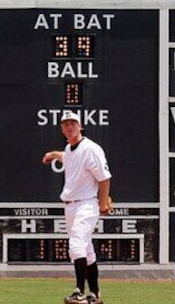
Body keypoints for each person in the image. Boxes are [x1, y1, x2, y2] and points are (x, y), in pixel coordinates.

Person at [42, 113, 112, 304]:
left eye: (72, 123)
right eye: (65, 124)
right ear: (62, 129)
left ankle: (79, 292)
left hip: (86, 204)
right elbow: (69, 158)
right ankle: (95, 294)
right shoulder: (70, 149)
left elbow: (104, 177)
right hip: (72, 206)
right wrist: (55, 155)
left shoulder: (91, 148)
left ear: (80, 126)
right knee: (87, 250)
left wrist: (103, 201)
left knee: (76, 246)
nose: (69, 126)